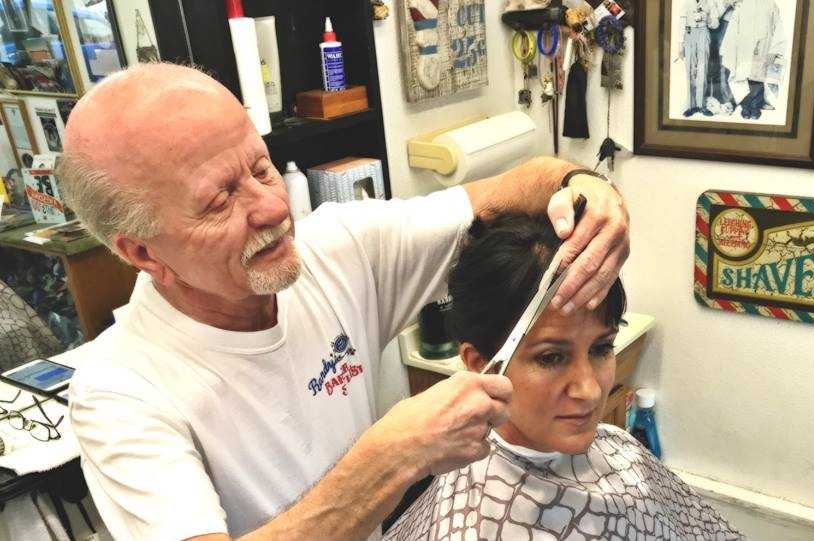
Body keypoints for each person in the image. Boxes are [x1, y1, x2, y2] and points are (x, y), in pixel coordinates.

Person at [56, 63, 630, 540]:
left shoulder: (337, 250)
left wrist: (587, 189)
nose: (271, 210)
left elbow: (528, 182)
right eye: (220, 201)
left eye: (261, 169)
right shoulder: (120, 395)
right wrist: (390, 459)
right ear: (142, 251)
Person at [384, 215, 743, 540]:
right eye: (551, 357)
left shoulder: (621, 449)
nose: (589, 391)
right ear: (481, 364)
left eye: (601, 348)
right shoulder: (465, 524)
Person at [719, 0, 786, 119]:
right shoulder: (742, 4)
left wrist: (775, 49)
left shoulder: (771, 5)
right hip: (744, 47)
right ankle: (746, 106)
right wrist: (729, 46)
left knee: (758, 76)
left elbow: (779, 27)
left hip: (764, 45)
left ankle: (755, 106)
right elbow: (733, 27)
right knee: (743, 77)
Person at [679, 0, 712, 118]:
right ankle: (690, 106)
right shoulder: (687, 3)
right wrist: (680, 44)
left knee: (703, 70)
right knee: (690, 70)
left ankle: (701, 105)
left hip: (703, 33)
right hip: (689, 33)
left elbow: (715, 23)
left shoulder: (709, 3)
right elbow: (682, 22)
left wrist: (706, 17)